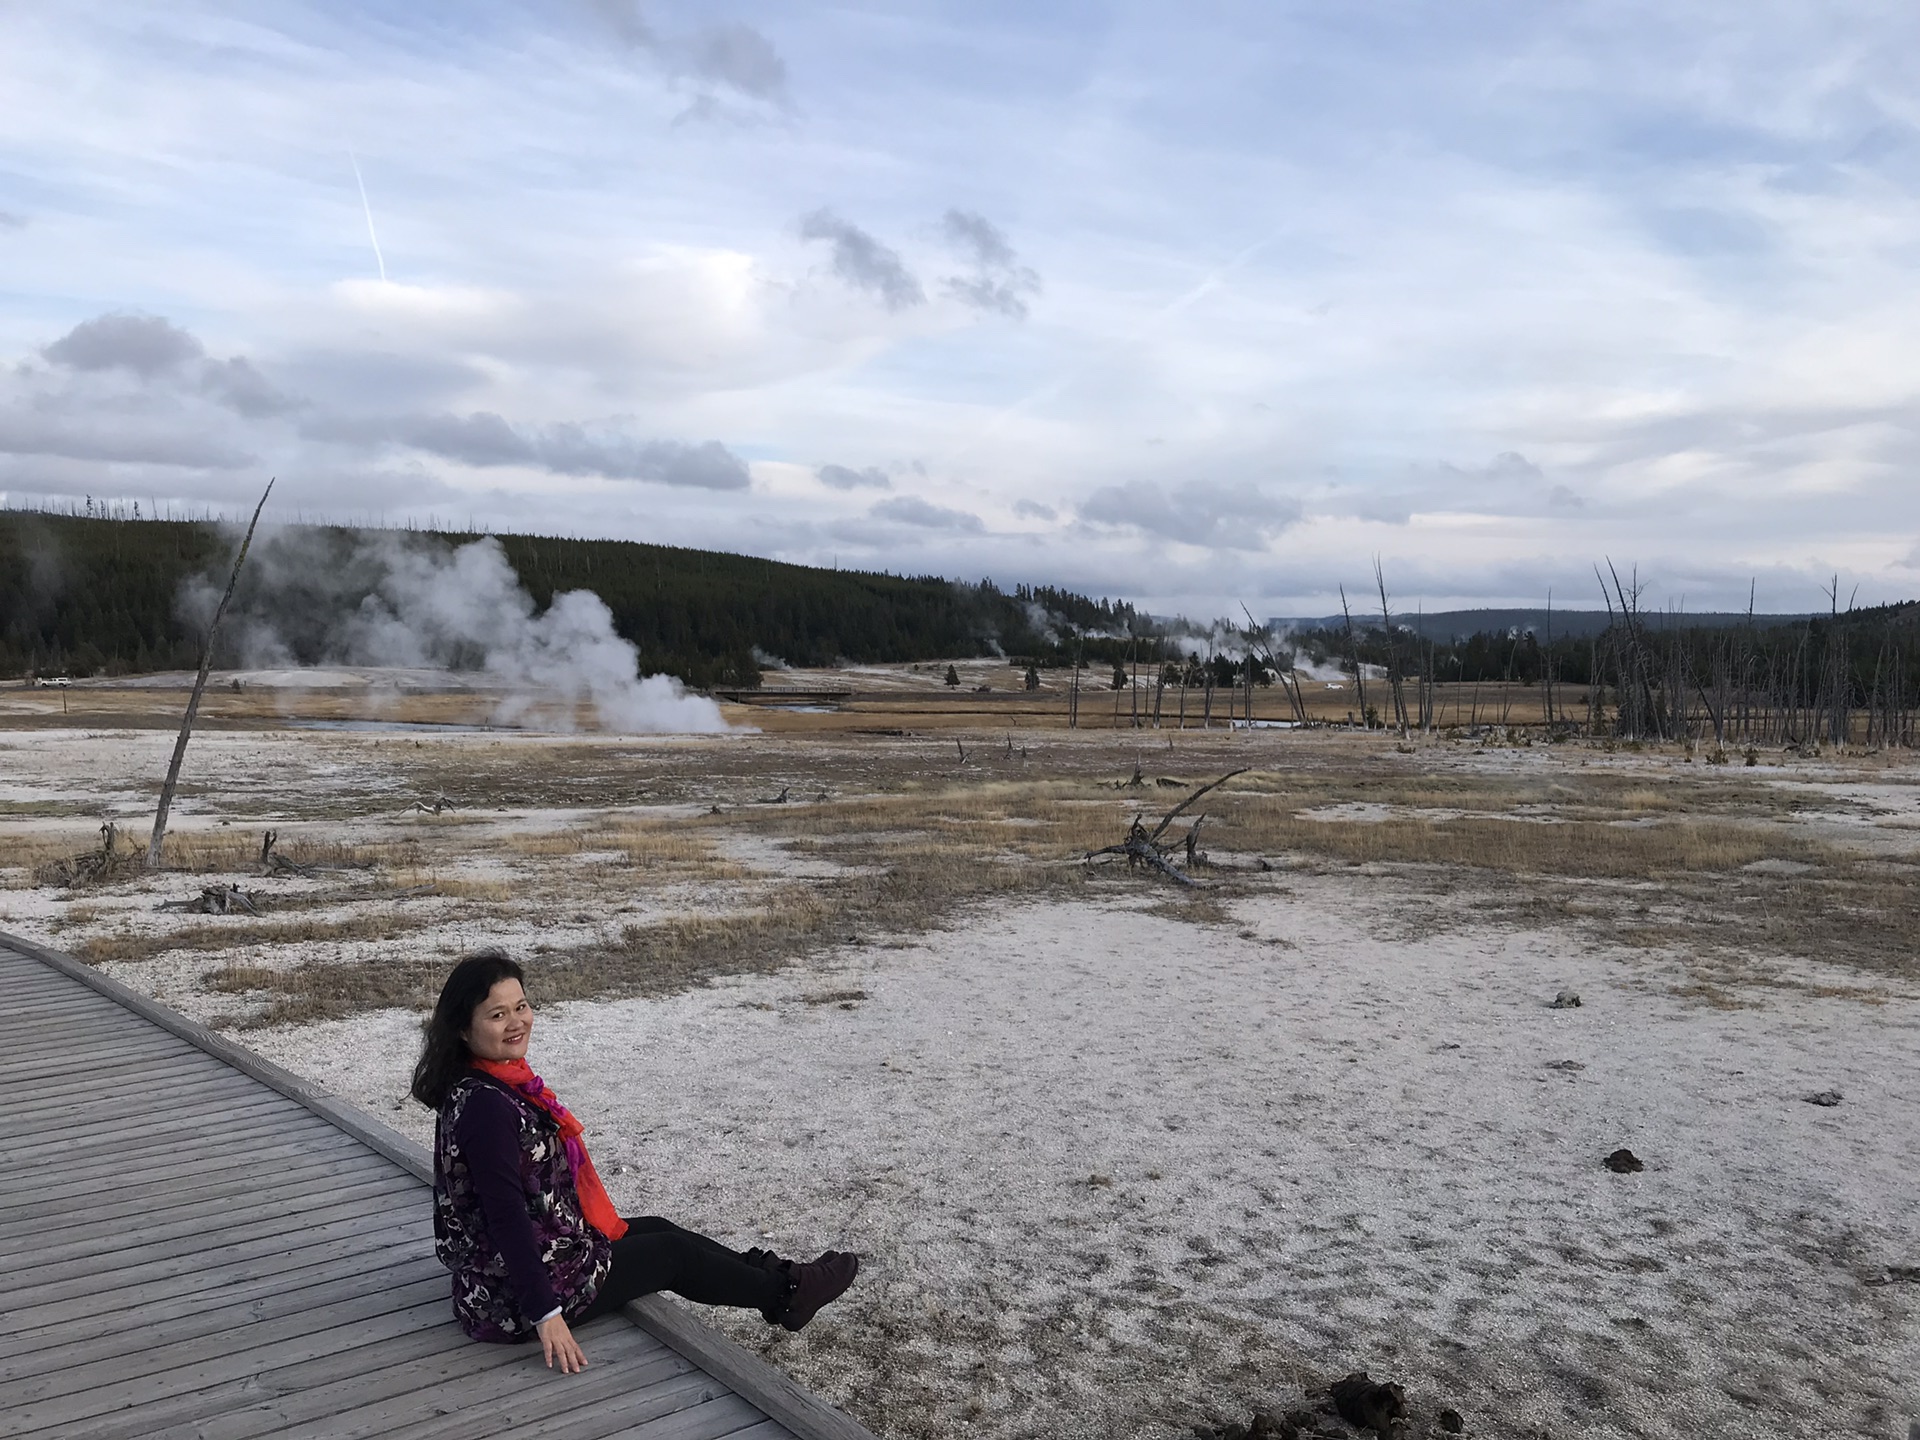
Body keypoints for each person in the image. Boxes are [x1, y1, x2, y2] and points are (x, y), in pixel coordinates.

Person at [411, 949, 859, 1373]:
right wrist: (545, 1313)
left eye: (521, 1006)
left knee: (654, 1228)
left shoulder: (491, 1083)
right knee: (671, 1254)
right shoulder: (487, 1105)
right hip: (513, 1297)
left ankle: (782, 1275)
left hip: (513, 1273)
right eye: (497, 1014)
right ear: (464, 1030)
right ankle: (788, 1295)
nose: (516, 1022)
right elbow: (503, 1214)